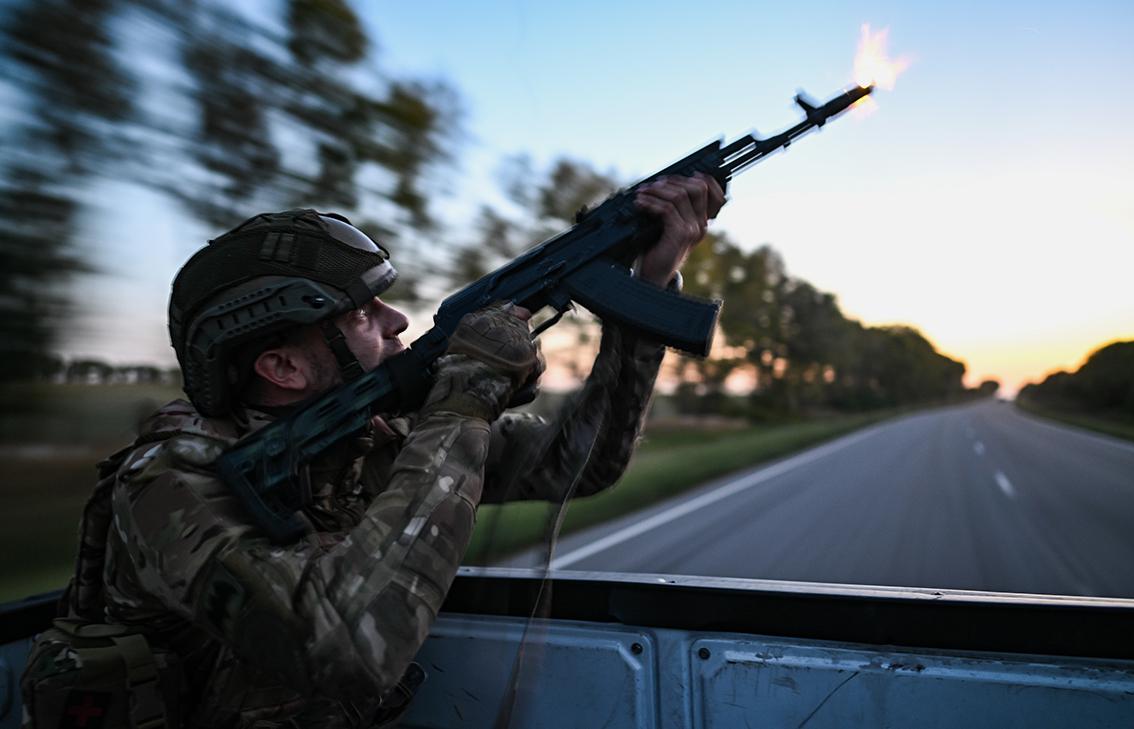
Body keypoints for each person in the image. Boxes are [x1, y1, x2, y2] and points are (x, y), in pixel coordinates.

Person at [24, 174, 724, 728]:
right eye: (363, 311)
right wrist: (465, 398)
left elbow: (582, 461)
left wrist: (648, 292)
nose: (397, 322)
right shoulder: (170, 482)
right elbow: (353, 644)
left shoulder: (374, 430)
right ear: (285, 367)